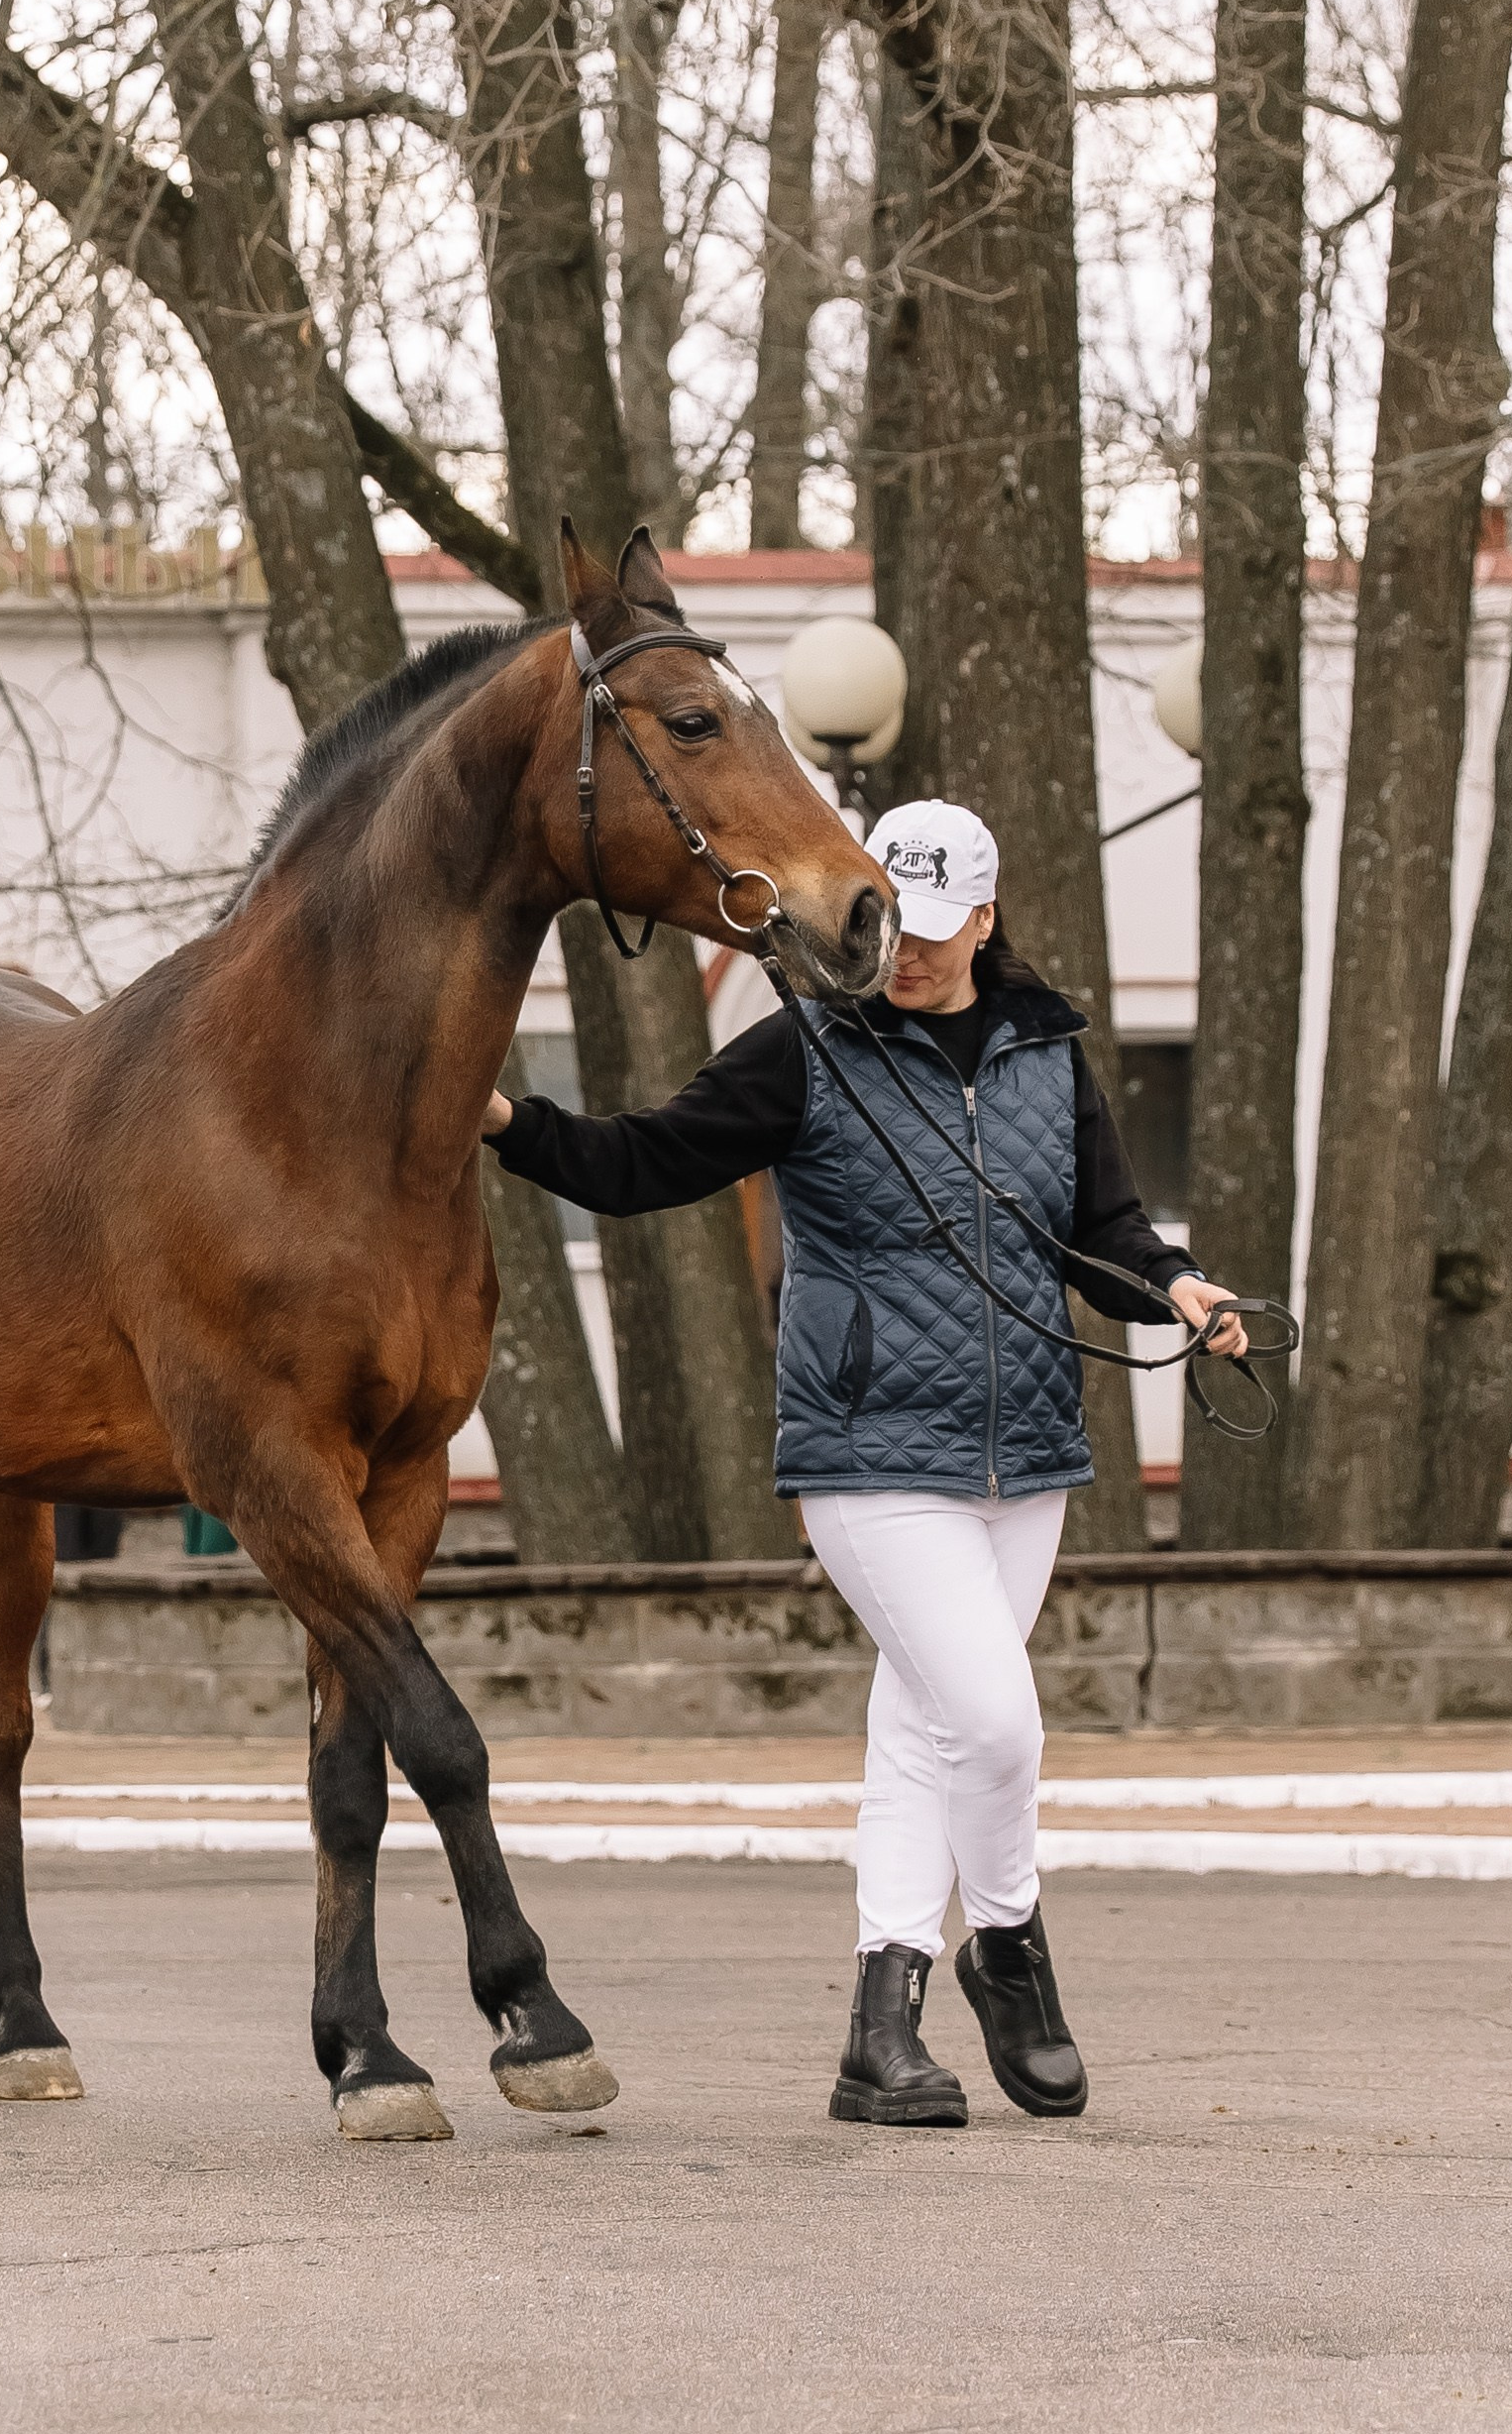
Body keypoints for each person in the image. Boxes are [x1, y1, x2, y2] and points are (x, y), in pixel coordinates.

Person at [485, 796, 1244, 2130]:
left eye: (942, 931)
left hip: (1027, 1459)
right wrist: (504, 1121)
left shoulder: (1045, 1057)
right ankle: (1009, 1948)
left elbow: (1103, 1233)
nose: (913, 955)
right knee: (997, 1723)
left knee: (926, 1735)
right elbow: (642, 1162)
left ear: (987, 921)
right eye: (895, 922)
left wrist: (1180, 1288)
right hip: (869, 1455)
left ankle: (878, 2034)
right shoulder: (806, 1053)